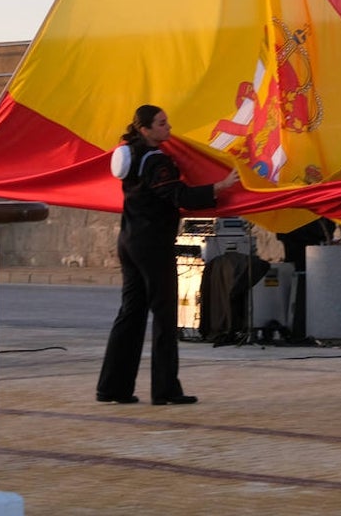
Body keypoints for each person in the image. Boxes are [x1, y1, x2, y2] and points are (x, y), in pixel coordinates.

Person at [96, 105, 238, 406]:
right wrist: (220, 186)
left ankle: (112, 388)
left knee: (130, 313)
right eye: (161, 124)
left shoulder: (128, 155)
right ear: (145, 130)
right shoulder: (158, 161)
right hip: (152, 245)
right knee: (163, 315)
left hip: (129, 241)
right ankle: (165, 390)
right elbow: (179, 196)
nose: (169, 128)